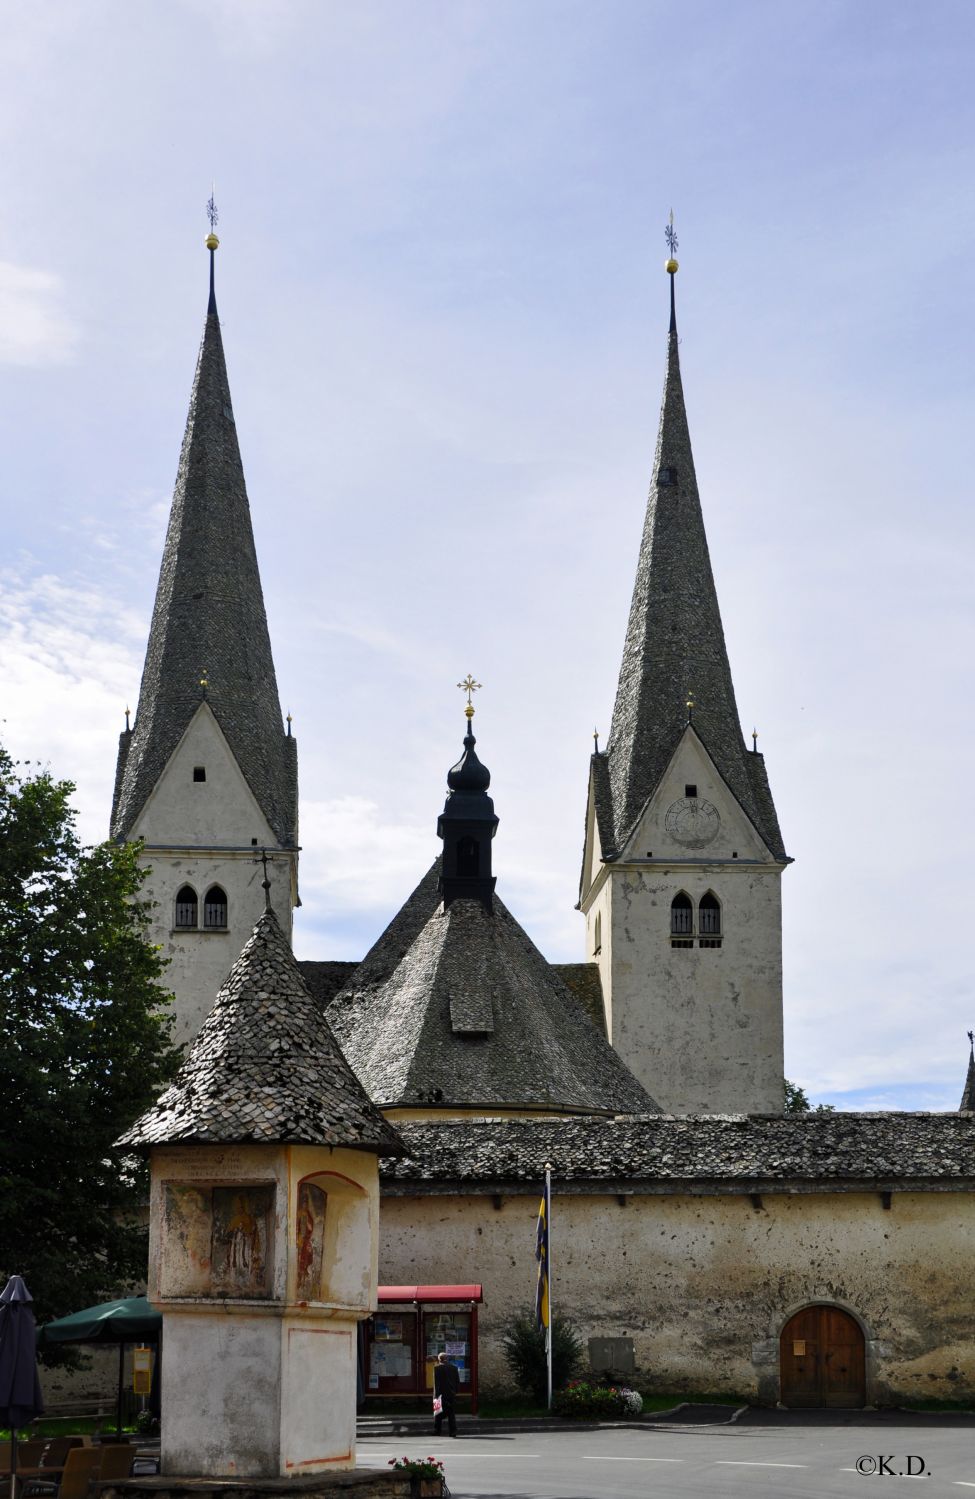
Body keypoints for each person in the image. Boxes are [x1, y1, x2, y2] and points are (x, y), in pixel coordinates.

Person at [433, 1351, 459, 1437]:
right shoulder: (454, 1368)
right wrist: (455, 1392)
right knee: (451, 1414)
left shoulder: (436, 1369)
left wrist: (435, 1396)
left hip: (440, 1394)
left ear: (439, 1359)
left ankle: (437, 1431)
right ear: (447, 1359)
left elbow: (436, 1384)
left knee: (437, 1413)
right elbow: (457, 1382)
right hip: (451, 1394)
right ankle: (453, 1432)